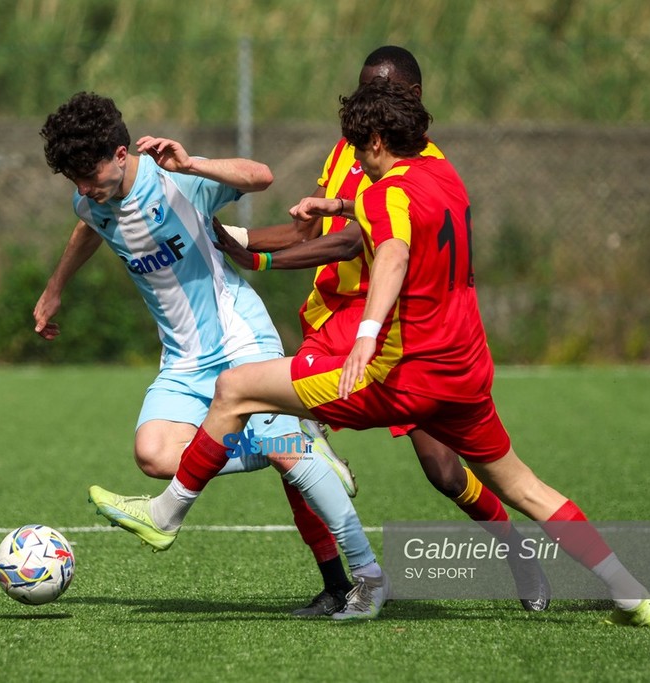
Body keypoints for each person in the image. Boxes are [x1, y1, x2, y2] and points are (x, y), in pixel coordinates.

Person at [89, 78, 650, 627]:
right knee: (526, 489)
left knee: (234, 389)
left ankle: (166, 514)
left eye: (360, 150)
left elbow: (391, 252)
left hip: (400, 374)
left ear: (380, 141)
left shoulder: (387, 193)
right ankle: (629, 590)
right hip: (466, 374)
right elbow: (396, 215)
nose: (358, 161)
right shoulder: (444, 173)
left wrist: (366, 334)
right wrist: (337, 207)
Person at [215, 45, 549, 612]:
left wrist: (262, 260)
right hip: (332, 320)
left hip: (392, 329)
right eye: (363, 86)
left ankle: (516, 551)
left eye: (381, 88)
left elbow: (352, 239)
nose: (368, 98)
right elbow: (311, 227)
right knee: (285, 437)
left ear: (412, 97)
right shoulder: (348, 146)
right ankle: (335, 581)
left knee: (443, 471)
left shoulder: (421, 162)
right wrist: (236, 238)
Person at [34, 91, 370, 617]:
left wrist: (192, 163)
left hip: (240, 337)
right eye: (73, 179)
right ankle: (296, 441)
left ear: (121, 154)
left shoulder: (174, 179)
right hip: (183, 360)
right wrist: (55, 288)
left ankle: (347, 581)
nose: (82, 189)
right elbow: (88, 226)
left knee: (289, 461)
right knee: (154, 454)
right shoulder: (91, 201)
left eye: (89, 175)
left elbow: (260, 176)